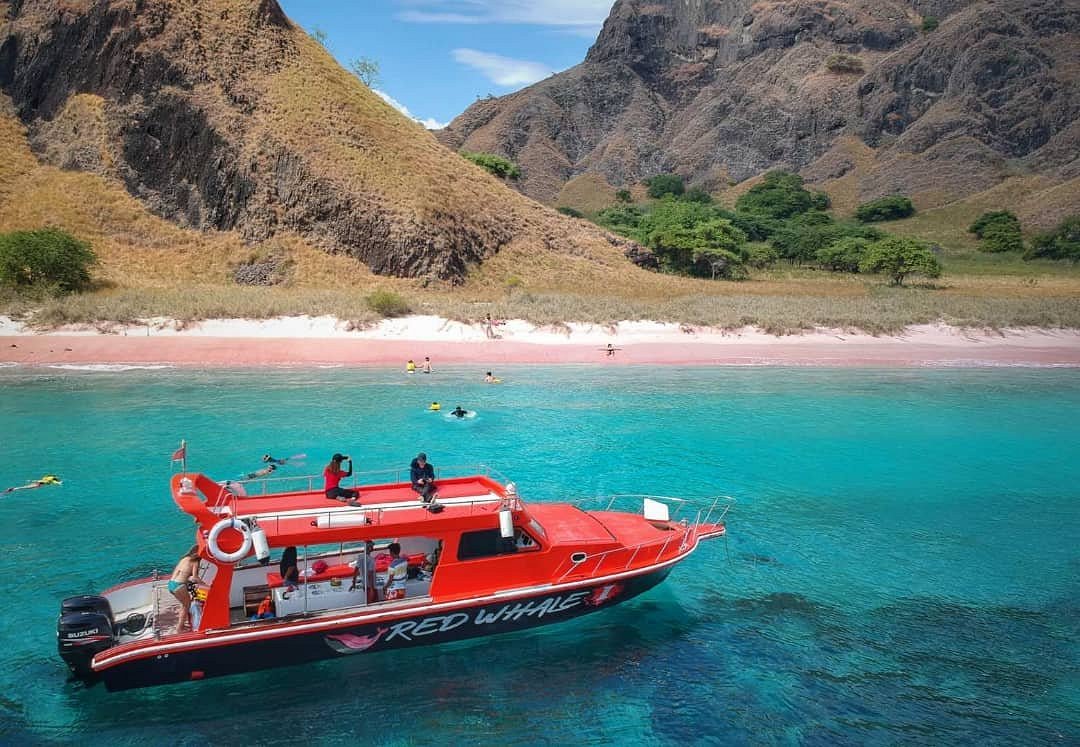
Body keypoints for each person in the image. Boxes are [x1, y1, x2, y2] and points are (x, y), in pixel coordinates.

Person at [168, 545, 204, 634]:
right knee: (186, 606)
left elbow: (182, 573)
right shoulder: (195, 561)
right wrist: (205, 585)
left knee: (183, 605)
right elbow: (195, 578)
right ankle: (179, 629)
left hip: (171, 584)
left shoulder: (184, 559)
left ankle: (181, 625)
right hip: (179, 586)